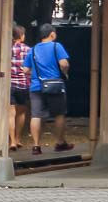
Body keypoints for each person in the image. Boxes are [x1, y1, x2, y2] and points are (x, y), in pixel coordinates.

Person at [22, 23, 73, 155]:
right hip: (54, 86)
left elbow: (26, 69)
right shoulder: (57, 46)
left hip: (36, 86)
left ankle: (36, 146)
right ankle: (60, 142)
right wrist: (65, 71)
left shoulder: (32, 50)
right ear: (52, 34)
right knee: (59, 114)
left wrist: (35, 74)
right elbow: (64, 63)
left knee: (36, 115)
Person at [9, 25, 31, 152]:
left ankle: (11, 141)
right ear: (22, 36)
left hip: (10, 84)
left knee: (10, 114)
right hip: (24, 85)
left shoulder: (8, 49)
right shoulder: (29, 50)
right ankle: (17, 139)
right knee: (21, 112)